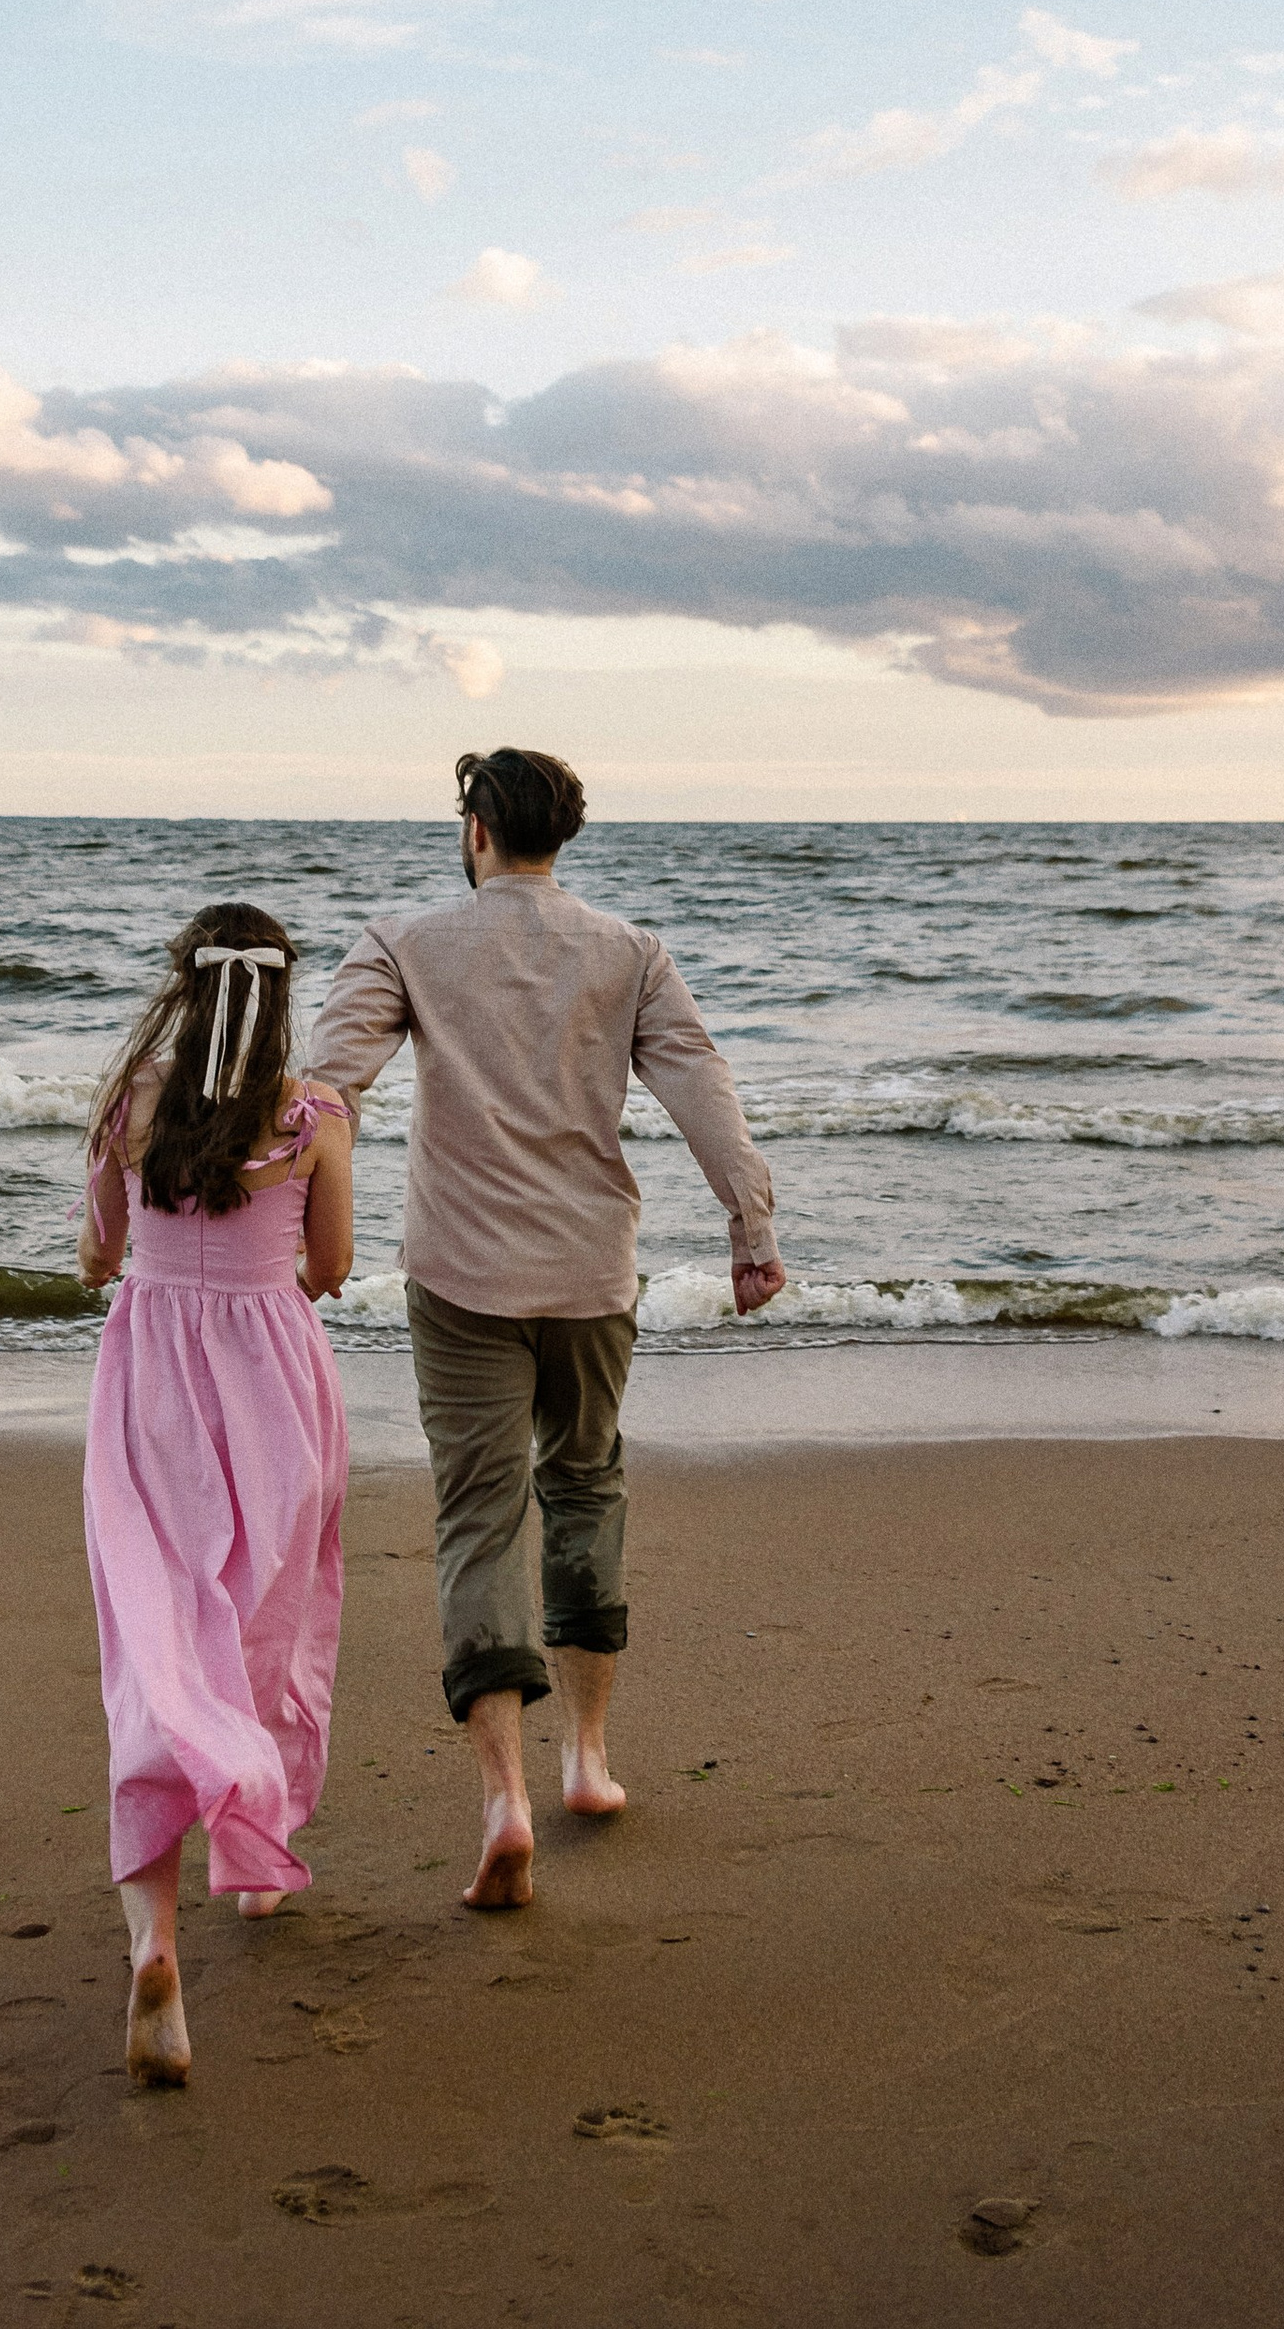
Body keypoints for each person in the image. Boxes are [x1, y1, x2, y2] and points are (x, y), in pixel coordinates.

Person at [307, 747, 784, 1911]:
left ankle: (500, 1798)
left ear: (474, 828)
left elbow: (324, 1087)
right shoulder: (628, 951)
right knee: (585, 1485)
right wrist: (749, 1225)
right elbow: (700, 1086)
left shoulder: (404, 939)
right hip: (589, 1275)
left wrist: (286, 1228)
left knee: (478, 1513)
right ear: (559, 837)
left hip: (460, 1275)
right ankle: (587, 1761)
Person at [76, 900, 355, 2086]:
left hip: (147, 1389)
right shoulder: (310, 1118)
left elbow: (96, 1252)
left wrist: (145, 1250)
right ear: (282, 995)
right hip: (276, 1390)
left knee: (152, 1640)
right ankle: (254, 1843)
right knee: (265, 1625)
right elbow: (330, 1268)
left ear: (182, 988)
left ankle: (154, 1939)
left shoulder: (129, 1101)